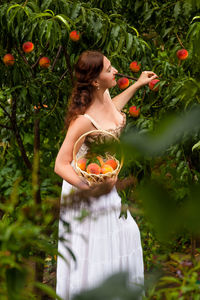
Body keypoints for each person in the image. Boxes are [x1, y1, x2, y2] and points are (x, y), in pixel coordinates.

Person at [54, 50, 157, 300]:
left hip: (106, 186)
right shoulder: (82, 120)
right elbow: (60, 164)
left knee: (124, 238)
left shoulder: (106, 95)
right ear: (96, 81)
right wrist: (89, 187)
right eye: (109, 69)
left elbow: (111, 114)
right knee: (98, 254)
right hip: (87, 188)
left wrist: (139, 84)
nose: (115, 71)